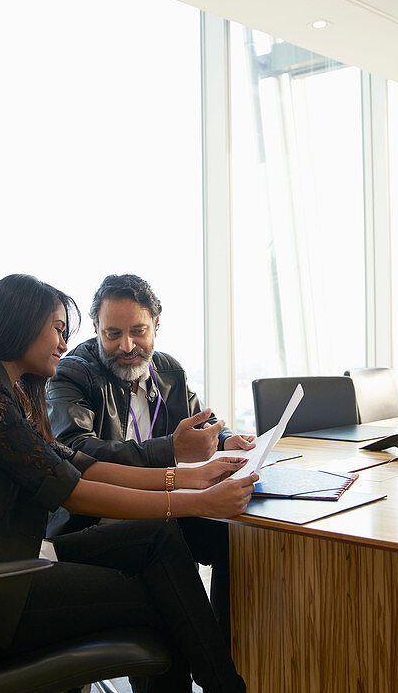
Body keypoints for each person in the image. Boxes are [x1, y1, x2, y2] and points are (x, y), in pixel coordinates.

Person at [0, 274, 254, 692]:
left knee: (157, 539)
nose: (63, 342)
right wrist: (198, 502)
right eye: (57, 328)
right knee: (164, 596)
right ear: (22, 324)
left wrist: (191, 477)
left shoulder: (9, 392)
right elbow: (74, 491)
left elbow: (81, 466)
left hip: (11, 565)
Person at [46, 273, 256, 637]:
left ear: (156, 325)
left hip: (163, 504)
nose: (127, 346)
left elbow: (203, 420)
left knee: (233, 540)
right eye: (113, 334)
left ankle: (235, 654)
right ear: (96, 328)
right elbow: (76, 452)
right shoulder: (71, 374)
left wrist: (225, 439)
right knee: (165, 559)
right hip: (92, 521)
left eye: (138, 331)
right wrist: (169, 450)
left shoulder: (169, 371)